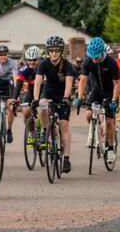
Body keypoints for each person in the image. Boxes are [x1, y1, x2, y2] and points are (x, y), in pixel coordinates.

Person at [32, 36, 75, 174]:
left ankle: (66, 159)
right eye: (51, 51)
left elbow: (69, 83)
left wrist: (66, 98)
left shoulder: (67, 65)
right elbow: (38, 83)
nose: (54, 53)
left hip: (62, 95)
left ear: (61, 51)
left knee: (64, 125)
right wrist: (35, 98)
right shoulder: (43, 64)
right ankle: (45, 129)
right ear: (48, 52)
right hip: (48, 92)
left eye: (57, 50)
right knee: (42, 106)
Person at [75, 36, 120, 165]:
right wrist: (79, 97)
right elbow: (83, 80)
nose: (94, 59)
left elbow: (117, 84)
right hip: (96, 91)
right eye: (92, 56)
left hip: (109, 91)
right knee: (89, 115)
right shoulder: (88, 61)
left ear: (103, 53)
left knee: (110, 122)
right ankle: (99, 127)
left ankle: (110, 147)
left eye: (97, 57)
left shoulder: (111, 62)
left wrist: (114, 100)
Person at [0, 44, 18, 143]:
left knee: (11, 107)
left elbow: (15, 78)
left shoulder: (12, 62)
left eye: (5, 54)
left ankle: (9, 129)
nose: (3, 56)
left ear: (7, 54)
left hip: (7, 83)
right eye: (0, 54)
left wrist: (16, 93)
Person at [12, 45, 39, 124]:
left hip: (45, 89)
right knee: (26, 111)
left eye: (34, 60)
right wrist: (14, 99)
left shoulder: (44, 66)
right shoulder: (24, 69)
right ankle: (30, 133)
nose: (32, 62)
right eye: (29, 60)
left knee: (42, 111)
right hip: (32, 90)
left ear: (39, 59)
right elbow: (18, 86)